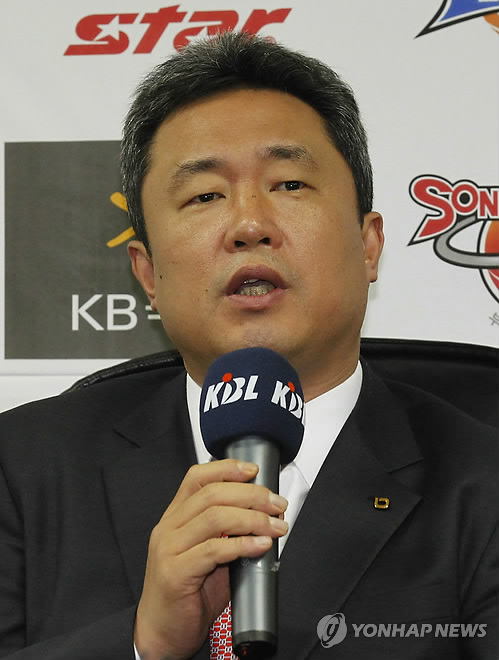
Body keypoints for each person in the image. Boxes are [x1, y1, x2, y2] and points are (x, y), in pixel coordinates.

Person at [0, 31, 497, 660]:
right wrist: (142, 644)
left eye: (289, 184)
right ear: (147, 275)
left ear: (369, 246)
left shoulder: (484, 482)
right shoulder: (21, 470)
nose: (250, 225)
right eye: (205, 195)